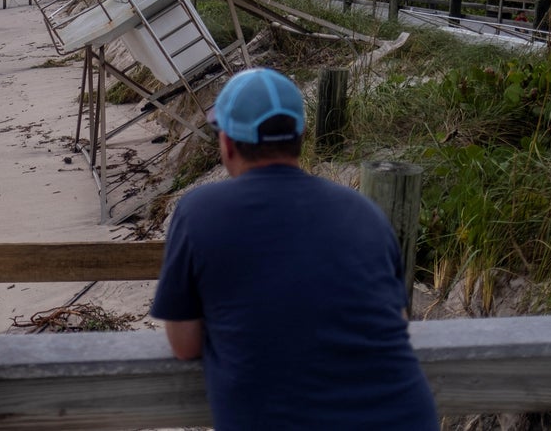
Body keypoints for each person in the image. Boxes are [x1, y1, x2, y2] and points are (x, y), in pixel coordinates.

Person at [150, 68, 438, 429]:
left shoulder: (199, 211)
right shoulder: (363, 210)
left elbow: (184, 344)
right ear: (301, 136)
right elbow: (395, 321)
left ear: (226, 143)